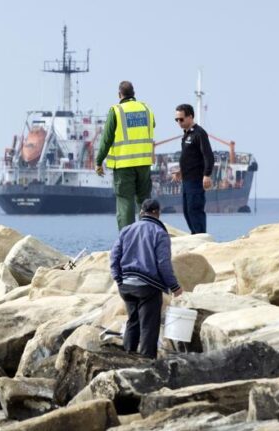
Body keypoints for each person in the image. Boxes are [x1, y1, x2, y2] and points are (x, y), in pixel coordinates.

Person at [110, 199, 182, 358]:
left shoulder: (126, 230)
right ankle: (146, 362)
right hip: (147, 287)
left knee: (132, 321)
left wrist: (118, 279)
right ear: (157, 212)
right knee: (149, 326)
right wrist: (175, 287)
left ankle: (128, 356)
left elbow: (114, 257)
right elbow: (163, 264)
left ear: (141, 212)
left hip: (126, 286)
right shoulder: (159, 233)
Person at [95, 81, 156, 230]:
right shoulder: (146, 108)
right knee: (144, 201)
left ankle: (128, 239)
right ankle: (147, 234)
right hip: (143, 163)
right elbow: (153, 124)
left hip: (123, 166)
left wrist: (98, 161)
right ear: (134, 93)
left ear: (119, 94)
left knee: (125, 202)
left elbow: (107, 139)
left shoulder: (116, 111)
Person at [173, 103, 214, 234]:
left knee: (195, 210)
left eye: (181, 119)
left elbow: (208, 156)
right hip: (186, 180)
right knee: (187, 210)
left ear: (190, 117)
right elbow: (191, 157)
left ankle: (201, 236)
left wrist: (207, 175)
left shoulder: (199, 133)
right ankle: (194, 234)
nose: (179, 122)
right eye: (176, 119)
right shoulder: (186, 134)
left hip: (196, 181)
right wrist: (181, 171)